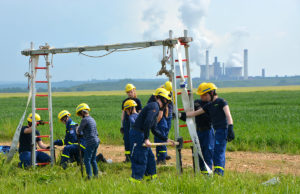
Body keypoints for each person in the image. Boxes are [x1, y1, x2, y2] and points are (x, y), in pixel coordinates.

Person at [179, 83, 235, 176]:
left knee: (218, 151)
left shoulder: (222, 102)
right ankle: (216, 172)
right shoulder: (209, 105)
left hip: (223, 130)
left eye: (204, 95)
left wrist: (230, 128)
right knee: (216, 151)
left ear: (211, 93)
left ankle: (219, 173)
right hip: (217, 131)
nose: (202, 97)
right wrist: (179, 114)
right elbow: (194, 113)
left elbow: (228, 115)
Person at [129, 88, 175, 182]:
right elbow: (147, 122)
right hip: (138, 135)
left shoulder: (156, 108)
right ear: (163, 99)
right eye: (167, 101)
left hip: (142, 134)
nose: (167, 104)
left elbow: (154, 129)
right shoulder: (154, 106)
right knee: (140, 158)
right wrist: (146, 139)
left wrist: (166, 139)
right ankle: (135, 181)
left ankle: (151, 179)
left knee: (150, 158)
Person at [193, 82, 215, 174]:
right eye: (200, 95)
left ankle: (208, 173)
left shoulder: (213, 104)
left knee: (208, 152)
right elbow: (195, 103)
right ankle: (201, 171)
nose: (201, 97)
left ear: (209, 94)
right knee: (199, 152)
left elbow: (206, 116)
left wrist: (200, 110)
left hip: (208, 131)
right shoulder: (198, 102)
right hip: (198, 131)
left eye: (203, 95)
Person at [76, 103, 100, 180]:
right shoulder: (92, 119)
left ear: (83, 112)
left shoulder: (84, 120)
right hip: (96, 140)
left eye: (80, 114)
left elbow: (79, 131)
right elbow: (95, 132)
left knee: (86, 160)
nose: (80, 116)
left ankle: (89, 176)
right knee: (93, 159)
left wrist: (77, 129)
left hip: (90, 142)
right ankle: (96, 175)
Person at [147, 87, 170, 165]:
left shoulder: (160, 104)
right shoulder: (159, 102)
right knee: (158, 141)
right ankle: (160, 158)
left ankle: (162, 159)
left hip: (160, 124)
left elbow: (160, 116)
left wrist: (153, 124)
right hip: (161, 123)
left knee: (161, 142)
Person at [121, 83, 142, 162]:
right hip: (126, 123)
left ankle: (134, 156)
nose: (130, 93)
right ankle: (127, 158)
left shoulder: (137, 101)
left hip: (134, 123)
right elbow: (123, 114)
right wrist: (122, 125)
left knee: (134, 140)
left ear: (134, 91)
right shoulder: (125, 101)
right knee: (126, 140)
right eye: (128, 92)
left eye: (131, 91)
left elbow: (140, 113)